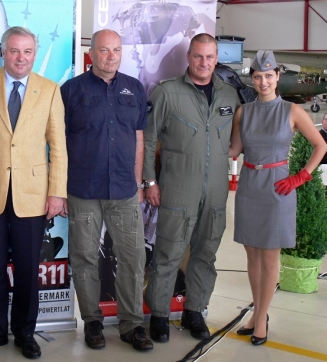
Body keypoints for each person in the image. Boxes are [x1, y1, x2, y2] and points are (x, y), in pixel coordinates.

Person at [0, 26, 67, 359]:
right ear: (4, 52)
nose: (20, 57)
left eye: (26, 51)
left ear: (34, 54)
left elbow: (59, 146)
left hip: (34, 195)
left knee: (27, 270)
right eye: (14, 51)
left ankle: (25, 332)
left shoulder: (50, 90)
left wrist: (57, 192)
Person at [143, 33, 240, 342]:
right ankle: (158, 314)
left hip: (214, 192)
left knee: (205, 254)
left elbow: (235, 141)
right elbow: (147, 141)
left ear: (216, 58)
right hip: (177, 190)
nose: (204, 63)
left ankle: (195, 311)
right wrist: (149, 181)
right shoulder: (167, 93)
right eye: (198, 56)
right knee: (167, 254)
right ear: (189, 57)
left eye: (210, 57)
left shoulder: (228, 96)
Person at [60, 29, 153, 352]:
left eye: (116, 50)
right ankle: (93, 322)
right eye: (104, 50)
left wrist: (139, 182)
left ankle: (132, 324)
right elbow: (57, 144)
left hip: (125, 190)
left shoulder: (135, 89)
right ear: (91, 53)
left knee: (132, 257)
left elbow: (139, 139)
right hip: (83, 190)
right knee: (84, 258)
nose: (110, 56)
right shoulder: (71, 91)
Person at [229, 50, 326, 345]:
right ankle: (259, 312)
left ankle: (260, 319)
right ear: (253, 79)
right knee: (252, 256)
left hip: (278, 188)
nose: (263, 82)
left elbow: (320, 146)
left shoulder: (292, 111)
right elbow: (233, 151)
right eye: (258, 77)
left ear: (277, 77)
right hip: (249, 186)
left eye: (268, 76)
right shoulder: (243, 112)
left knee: (270, 257)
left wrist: (301, 177)